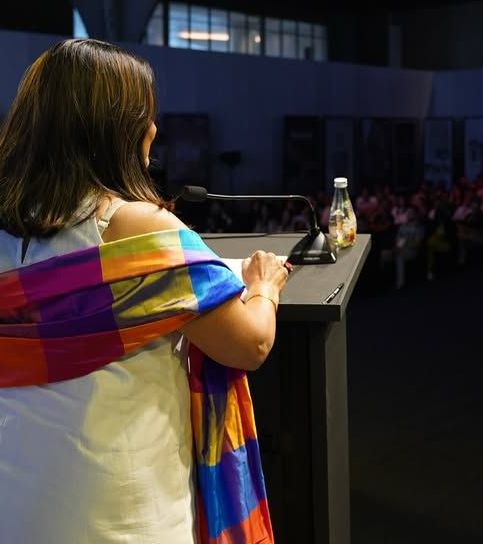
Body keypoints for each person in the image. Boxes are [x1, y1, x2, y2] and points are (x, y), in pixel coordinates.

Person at [0, 39, 290, 543]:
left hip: (19, 501)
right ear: (118, 130)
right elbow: (250, 343)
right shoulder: (140, 228)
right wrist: (265, 284)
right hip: (123, 509)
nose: (153, 127)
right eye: (144, 115)